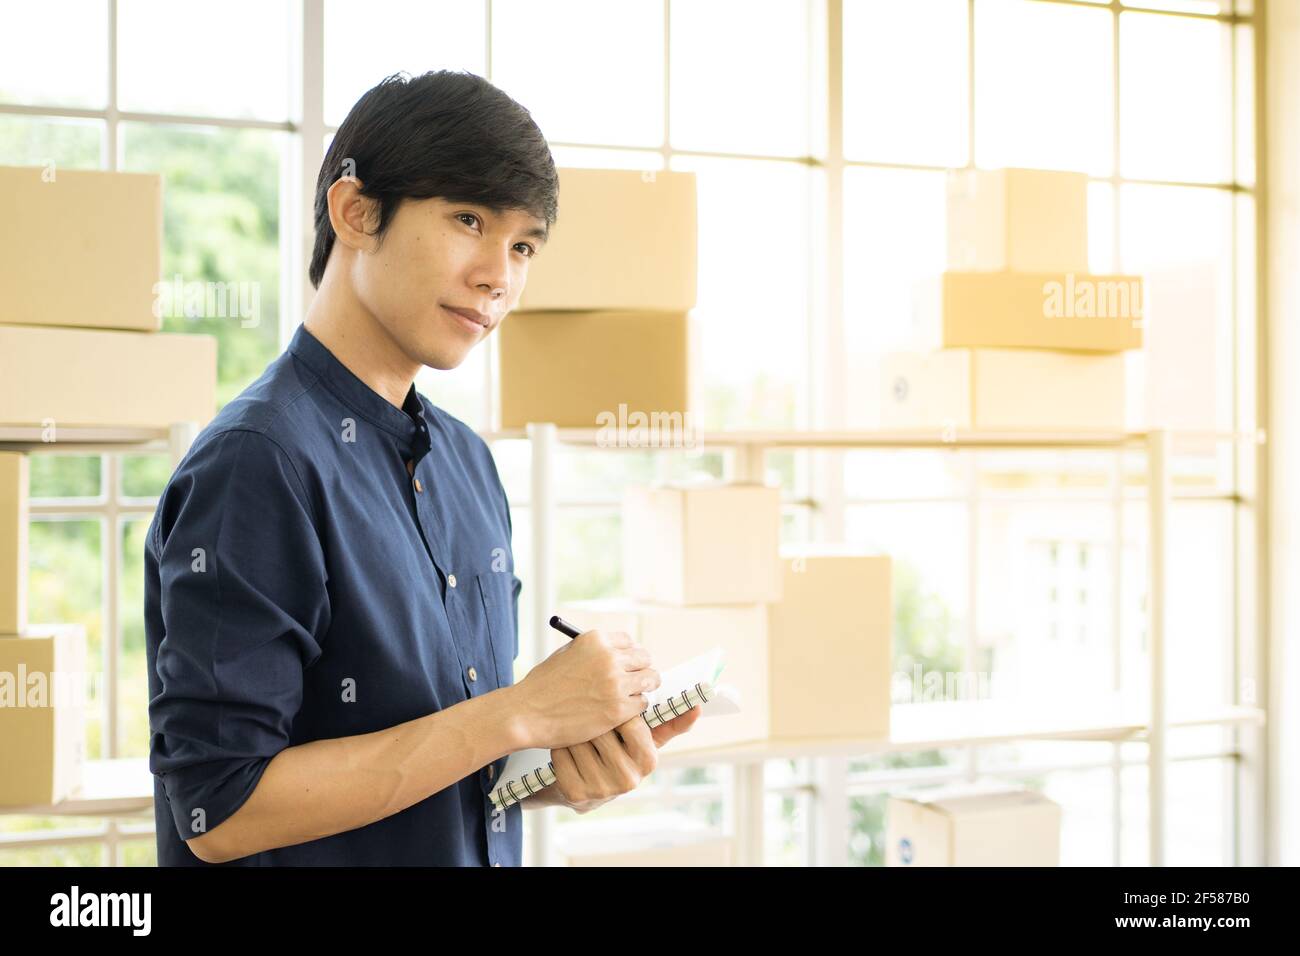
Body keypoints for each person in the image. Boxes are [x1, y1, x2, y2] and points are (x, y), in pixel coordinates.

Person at [144, 70, 700, 866]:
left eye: (522, 246)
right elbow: (220, 807)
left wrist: (562, 758)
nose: (498, 276)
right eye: (467, 220)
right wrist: (519, 713)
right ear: (355, 211)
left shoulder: (468, 464)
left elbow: (449, 751)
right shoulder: (256, 462)